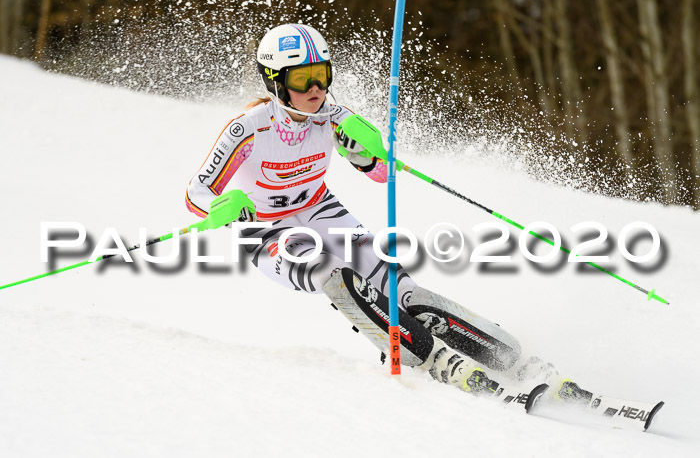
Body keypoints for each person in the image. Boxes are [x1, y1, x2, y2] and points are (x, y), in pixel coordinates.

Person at [185, 23, 572, 399]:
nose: (316, 88)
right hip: (267, 230)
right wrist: (223, 207)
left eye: (321, 75)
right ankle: (430, 357)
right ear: (275, 81)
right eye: (303, 79)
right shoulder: (249, 129)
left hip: (321, 211)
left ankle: (511, 358)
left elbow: (382, 175)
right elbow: (196, 193)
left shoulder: (334, 117)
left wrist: (370, 153)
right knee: (331, 274)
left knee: (401, 290)